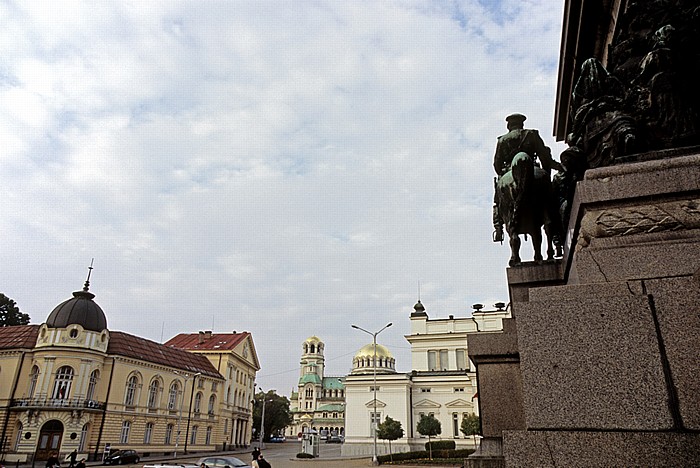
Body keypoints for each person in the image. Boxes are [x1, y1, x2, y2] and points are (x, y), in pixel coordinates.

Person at [492, 113, 563, 242]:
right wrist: (549, 172)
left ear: (509, 126)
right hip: (535, 169)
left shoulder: (502, 140)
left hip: (509, 172)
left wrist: (502, 172)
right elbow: (545, 158)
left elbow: (497, 164)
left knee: (497, 200)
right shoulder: (532, 134)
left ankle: (498, 227)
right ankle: (555, 231)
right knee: (551, 199)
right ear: (522, 124)